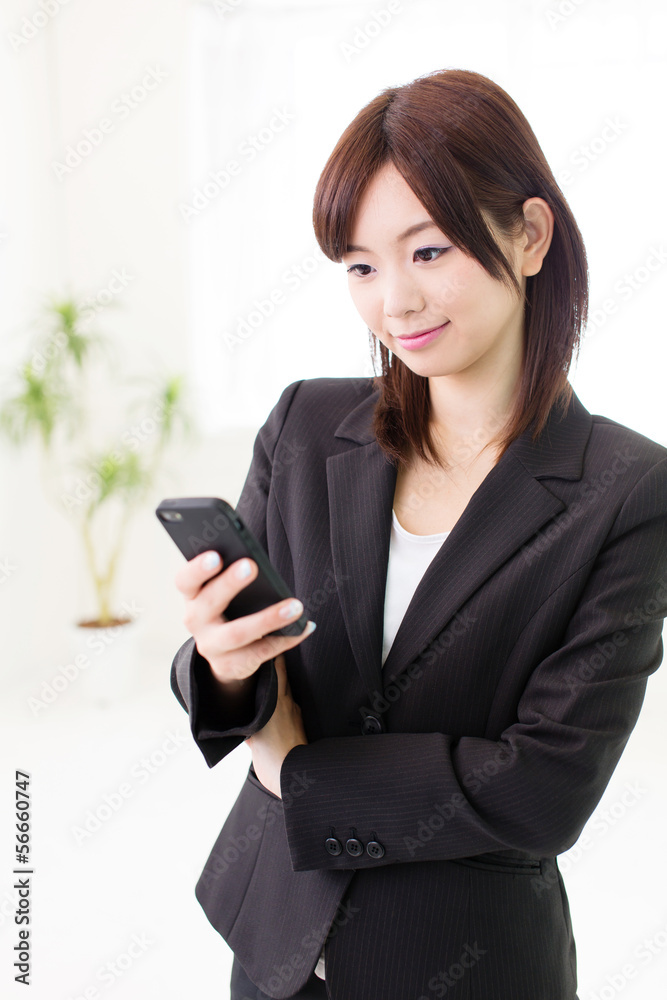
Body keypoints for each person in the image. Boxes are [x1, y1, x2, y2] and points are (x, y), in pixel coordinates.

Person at [169, 68, 667, 1000]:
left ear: (528, 235)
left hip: (464, 963)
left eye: (427, 250)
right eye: (360, 265)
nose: (392, 302)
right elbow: (242, 665)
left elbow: (543, 788)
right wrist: (223, 665)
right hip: (276, 940)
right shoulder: (307, 428)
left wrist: (294, 769)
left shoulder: (626, 489)